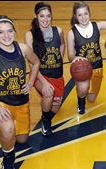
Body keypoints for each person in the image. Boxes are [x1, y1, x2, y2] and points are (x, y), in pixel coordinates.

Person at [0, 15, 40, 169]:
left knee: (22, 140)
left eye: (9, 31)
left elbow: (36, 62)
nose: (6, 36)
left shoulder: (23, 49)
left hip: (20, 101)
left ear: (14, 31)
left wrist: (31, 81)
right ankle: (7, 157)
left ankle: (2, 123)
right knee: (8, 129)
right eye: (1, 32)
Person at [67, 1, 106, 114]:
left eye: (85, 13)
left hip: (97, 67)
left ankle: (83, 92)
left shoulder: (97, 25)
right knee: (83, 90)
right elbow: (70, 55)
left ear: (89, 13)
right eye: (80, 15)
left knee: (91, 99)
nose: (83, 17)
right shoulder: (72, 33)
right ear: (75, 16)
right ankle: (80, 100)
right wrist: (75, 58)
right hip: (82, 69)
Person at [25, 2, 65, 136]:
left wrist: (60, 60)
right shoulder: (30, 35)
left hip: (57, 75)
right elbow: (31, 63)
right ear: (36, 16)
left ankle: (47, 114)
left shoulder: (58, 31)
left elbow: (62, 44)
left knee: (55, 107)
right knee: (48, 93)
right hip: (39, 75)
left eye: (48, 16)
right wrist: (45, 82)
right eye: (42, 16)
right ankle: (45, 121)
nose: (45, 19)